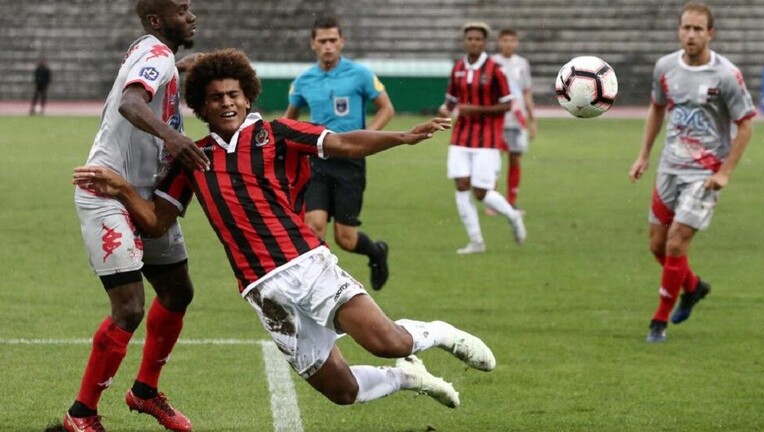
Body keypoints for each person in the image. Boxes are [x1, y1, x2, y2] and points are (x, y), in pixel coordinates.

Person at [73, 48, 497, 414]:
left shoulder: (274, 133)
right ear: (201, 107)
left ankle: (441, 333)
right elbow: (156, 222)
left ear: (248, 97)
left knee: (390, 342)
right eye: (216, 97)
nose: (226, 103)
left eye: (234, 95)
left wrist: (401, 137)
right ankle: (409, 379)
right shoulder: (191, 158)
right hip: (262, 293)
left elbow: (344, 144)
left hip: (307, 265)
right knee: (342, 391)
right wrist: (123, 189)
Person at [61, 1, 209, 431]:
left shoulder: (154, 52)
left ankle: (144, 391)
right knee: (128, 308)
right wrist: (172, 138)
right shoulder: (157, 54)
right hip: (107, 192)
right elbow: (130, 102)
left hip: (147, 192)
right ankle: (81, 415)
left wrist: (180, 67)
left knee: (178, 292)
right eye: (181, 10)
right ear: (157, 21)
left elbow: (148, 75)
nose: (192, 15)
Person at [629, 1, 755, 343]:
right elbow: (657, 109)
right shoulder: (665, 67)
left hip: (705, 174)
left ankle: (658, 322)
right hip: (669, 168)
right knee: (657, 245)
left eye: (698, 29)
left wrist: (725, 172)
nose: (691, 34)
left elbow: (746, 125)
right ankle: (694, 286)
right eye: (686, 27)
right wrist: (643, 155)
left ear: (710, 34)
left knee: (675, 243)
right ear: (679, 30)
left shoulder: (726, 75)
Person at [284, 14, 395, 290]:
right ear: (313, 44)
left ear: (342, 41)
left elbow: (386, 108)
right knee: (314, 226)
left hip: (350, 162)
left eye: (333, 40)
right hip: (317, 161)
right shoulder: (303, 81)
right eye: (322, 41)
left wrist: (367, 137)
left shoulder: (360, 74)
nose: (328, 46)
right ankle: (321, 287)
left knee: (345, 238)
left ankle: (376, 252)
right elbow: (289, 120)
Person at [438, 21, 527, 254]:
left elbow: (507, 104)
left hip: (487, 138)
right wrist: (445, 110)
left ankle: (513, 216)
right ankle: (476, 241)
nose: (473, 42)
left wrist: (476, 110)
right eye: (470, 39)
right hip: (460, 137)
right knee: (461, 185)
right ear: (464, 41)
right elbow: (451, 100)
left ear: (484, 42)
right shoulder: (458, 67)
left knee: (481, 192)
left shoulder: (495, 69)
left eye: (478, 39)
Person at [491, 29, 536, 211]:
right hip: (497, 119)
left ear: (516, 43)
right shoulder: (492, 63)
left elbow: (526, 92)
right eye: (505, 40)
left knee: (515, 158)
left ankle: (511, 200)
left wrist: (532, 120)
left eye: (511, 40)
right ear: (499, 42)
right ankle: (492, 201)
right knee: (494, 159)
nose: (508, 44)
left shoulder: (522, 64)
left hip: (517, 119)